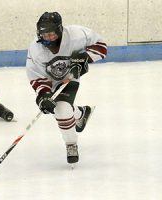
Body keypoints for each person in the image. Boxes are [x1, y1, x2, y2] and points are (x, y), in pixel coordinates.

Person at [26, 12, 107, 165]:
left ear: (59, 30)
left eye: (51, 34)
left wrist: (84, 59)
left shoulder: (77, 35)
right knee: (63, 109)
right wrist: (43, 95)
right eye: (43, 34)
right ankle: (81, 113)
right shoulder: (36, 49)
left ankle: (71, 144)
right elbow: (36, 75)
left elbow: (101, 47)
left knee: (61, 110)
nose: (47, 38)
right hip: (50, 81)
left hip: (70, 76)